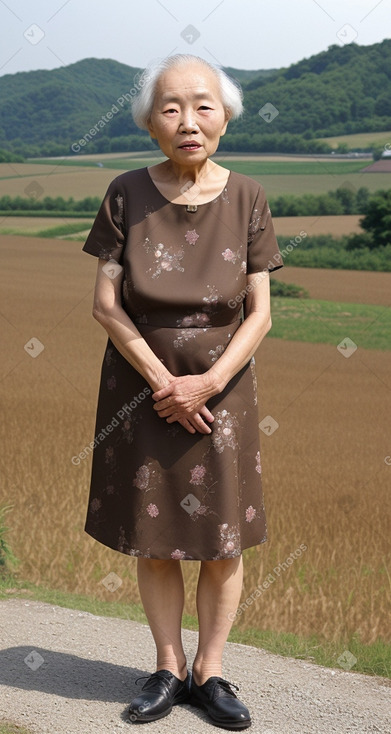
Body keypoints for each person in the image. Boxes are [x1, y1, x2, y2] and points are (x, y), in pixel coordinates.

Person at [82, 53, 283, 730]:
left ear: (224, 117)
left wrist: (208, 382)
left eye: (202, 105)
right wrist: (166, 383)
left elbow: (260, 311)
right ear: (148, 124)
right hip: (143, 390)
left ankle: (211, 671)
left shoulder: (249, 196)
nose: (187, 120)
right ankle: (167, 666)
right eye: (169, 107)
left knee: (222, 541)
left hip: (222, 392)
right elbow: (107, 305)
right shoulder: (124, 193)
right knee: (157, 536)